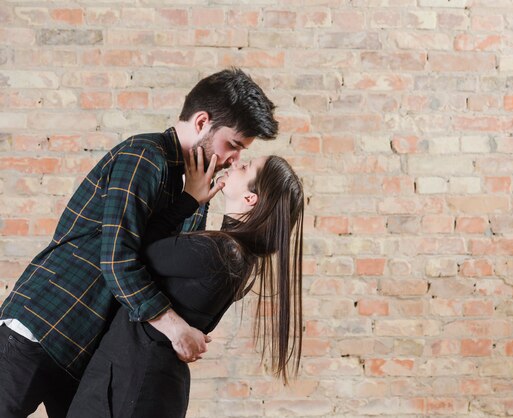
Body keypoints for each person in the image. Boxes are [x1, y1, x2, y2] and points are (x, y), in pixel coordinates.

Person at [0, 68, 278, 418]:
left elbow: (158, 262)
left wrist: (193, 203)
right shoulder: (144, 156)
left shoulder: (195, 188)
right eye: (233, 145)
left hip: (89, 349)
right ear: (202, 122)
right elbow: (118, 259)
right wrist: (176, 328)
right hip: (45, 325)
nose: (234, 159)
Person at [67, 155, 304, 418]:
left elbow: (130, 253)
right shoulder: (235, 254)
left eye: (246, 167)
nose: (236, 164)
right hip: (142, 382)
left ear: (251, 198)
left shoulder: (222, 251)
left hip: (131, 383)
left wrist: (189, 200)